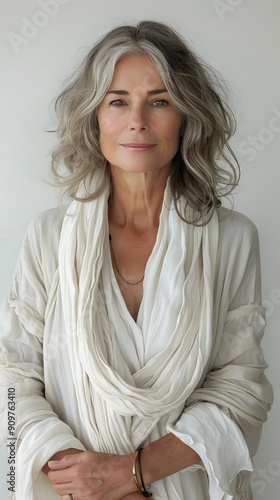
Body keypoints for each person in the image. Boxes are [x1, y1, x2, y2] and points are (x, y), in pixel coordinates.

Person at [0, 20, 273, 500]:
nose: (138, 121)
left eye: (160, 101)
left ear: (187, 116)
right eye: (118, 101)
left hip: (184, 488)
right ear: (94, 117)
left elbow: (241, 389)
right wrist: (91, 483)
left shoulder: (232, 239)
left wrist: (130, 473)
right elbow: (11, 383)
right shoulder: (48, 237)